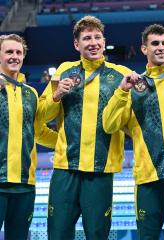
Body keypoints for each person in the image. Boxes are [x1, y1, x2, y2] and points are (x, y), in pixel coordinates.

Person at [38, 16, 131, 239]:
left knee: (97, 234)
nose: (93, 42)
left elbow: (131, 121)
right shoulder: (64, 70)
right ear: (76, 44)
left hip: (101, 170)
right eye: (87, 38)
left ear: (104, 40)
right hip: (66, 169)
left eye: (97, 37)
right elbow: (41, 115)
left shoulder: (121, 74)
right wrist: (57, 94)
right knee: (58, 234)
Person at [103, 24, 164, 240]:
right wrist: (121, 91)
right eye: (155, 43)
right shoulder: (134, 86)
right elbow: (109, 125)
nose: (161, 47)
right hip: (148, 182)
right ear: (144, 49)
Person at [0, 34, 57, 240]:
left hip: (25, 183)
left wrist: (68, 144)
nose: (14, 56)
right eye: (9, 52)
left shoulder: (30, 93)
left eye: (19, 52)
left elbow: (39, 132)